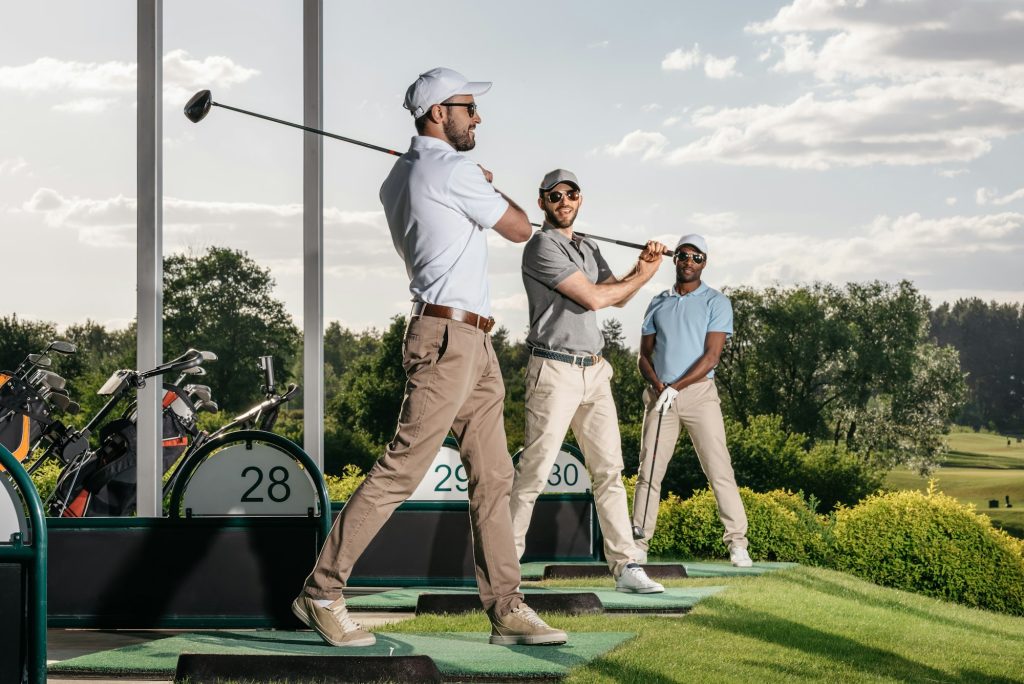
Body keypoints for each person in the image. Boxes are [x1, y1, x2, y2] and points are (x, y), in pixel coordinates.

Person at [293, 67, 567, 647]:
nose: (478, 116)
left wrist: (477, 182)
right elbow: (521, 228)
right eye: (469, 106)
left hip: (470, 340)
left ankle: (506, 608)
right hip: (448, 341)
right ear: (439, 112)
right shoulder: (452, 168)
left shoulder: (401, 175)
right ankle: (321, 591)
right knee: (402, 469)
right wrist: (492, 187)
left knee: (494, 476)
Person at [509, 168, 668, 593]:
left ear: (580, 199)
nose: (564, 201)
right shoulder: (541, 246)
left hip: (595, 370)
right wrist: (646, 275)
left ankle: (626, 566)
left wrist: (641, 266)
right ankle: (504, 570)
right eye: (554, 195)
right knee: (534, 472)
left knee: (609, 471)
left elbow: (619, 293)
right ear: (542, 202)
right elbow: (596, 297)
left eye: (571, 194)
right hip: (554, 369)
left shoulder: (588, 246)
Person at [631, 233, 753, 568]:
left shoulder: (716, 302)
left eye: (697, 257)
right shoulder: (658, 301)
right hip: (660, 397)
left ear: (705, 262)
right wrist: (658, 385)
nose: (689, 262)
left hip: (699, 396)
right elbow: (643, 356)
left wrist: (678, 386)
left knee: (719, 469)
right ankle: (639, 543)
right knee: (649, 472)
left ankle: (738, 543)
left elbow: (711, 357)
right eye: (684, 255)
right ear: (675, 258)